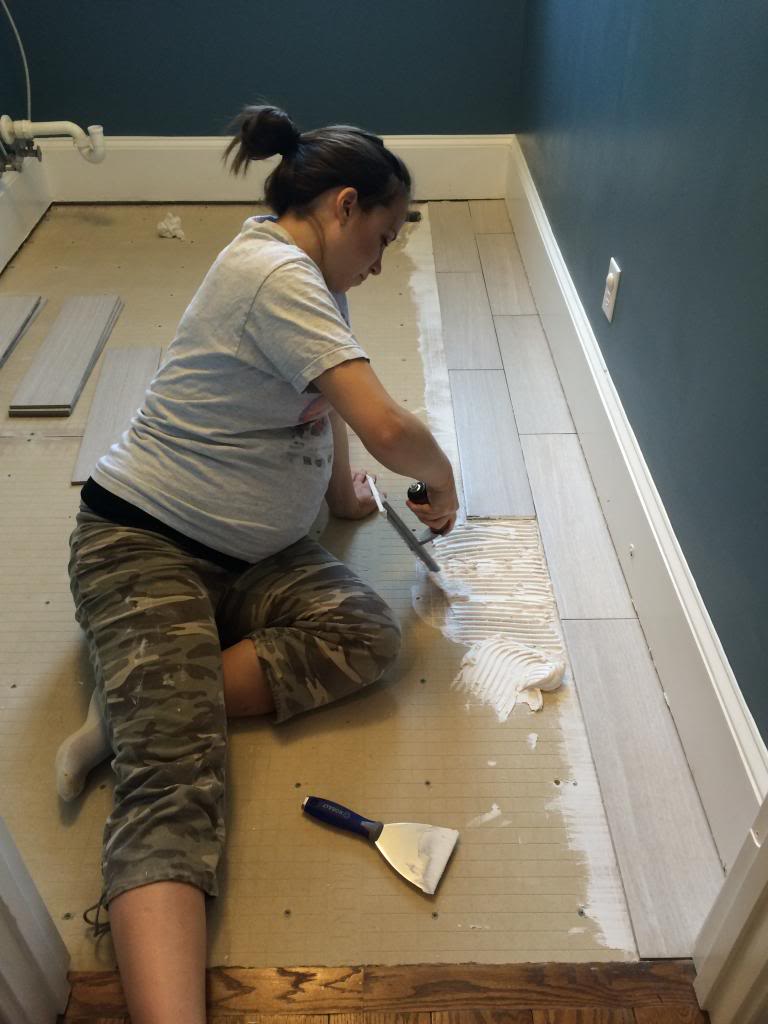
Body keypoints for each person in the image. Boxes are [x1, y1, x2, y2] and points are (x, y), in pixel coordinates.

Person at [56, 103, 459, 1024]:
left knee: (364, 633)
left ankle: (138, 694)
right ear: (346, 205)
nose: (385, 257)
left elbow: (329, 408)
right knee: (176, 781)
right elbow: (391, 425)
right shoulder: (272, 274)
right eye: (385, 236)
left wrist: (344, 496)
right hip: (144, 538)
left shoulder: (318, 277)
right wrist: (441, 479)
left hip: (259, 551)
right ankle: (150, 712)